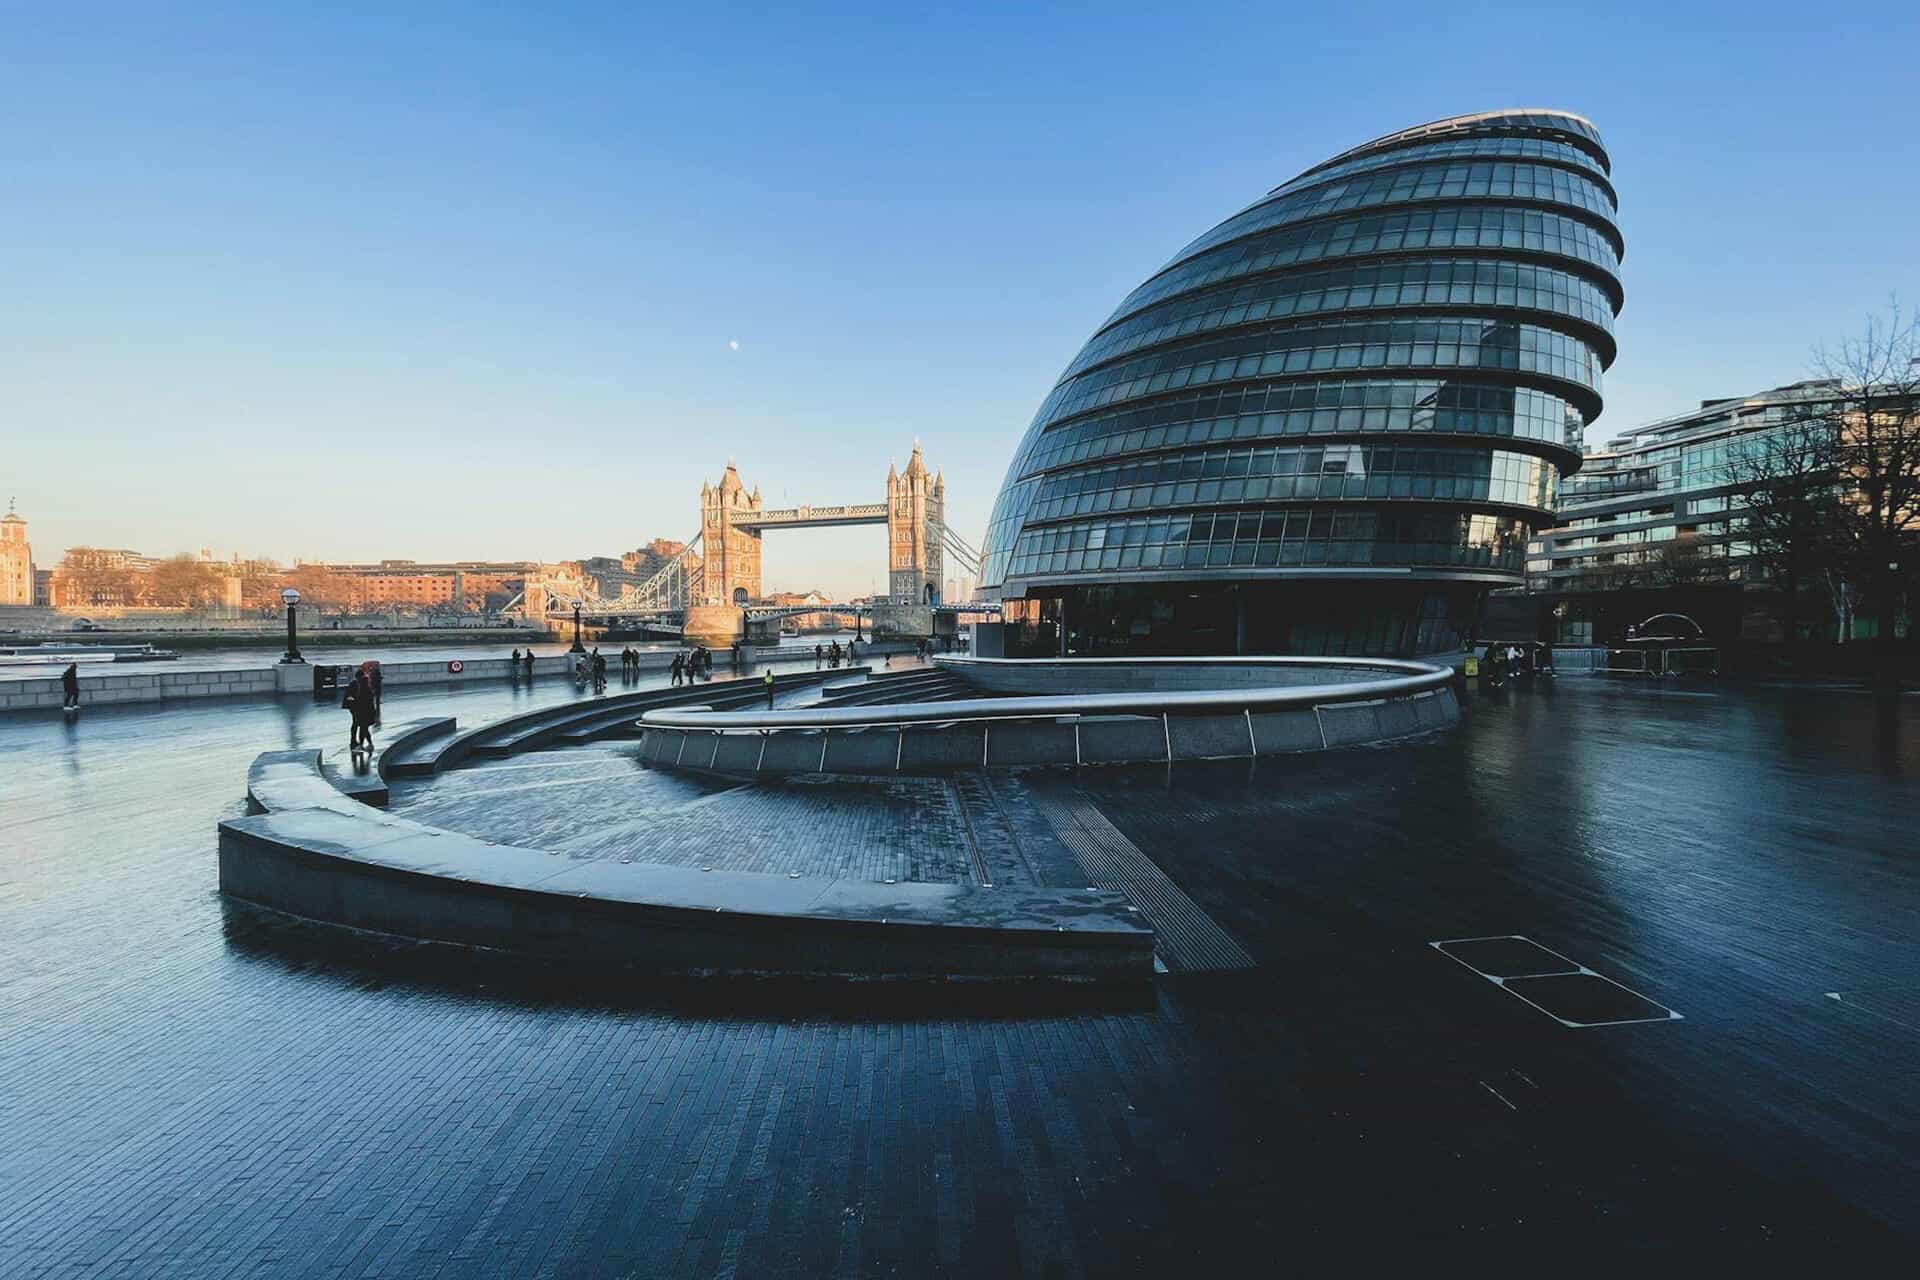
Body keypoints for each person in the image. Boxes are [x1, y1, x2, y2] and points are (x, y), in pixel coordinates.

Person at [342, 669, 375, 754]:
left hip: (359, 709)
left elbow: (356, 698)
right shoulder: (366, 684)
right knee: (364, 727)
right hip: (365, 710)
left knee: (360, 726)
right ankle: (369, 744)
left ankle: (359, 743)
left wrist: (353, 701)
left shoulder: (359, 685)